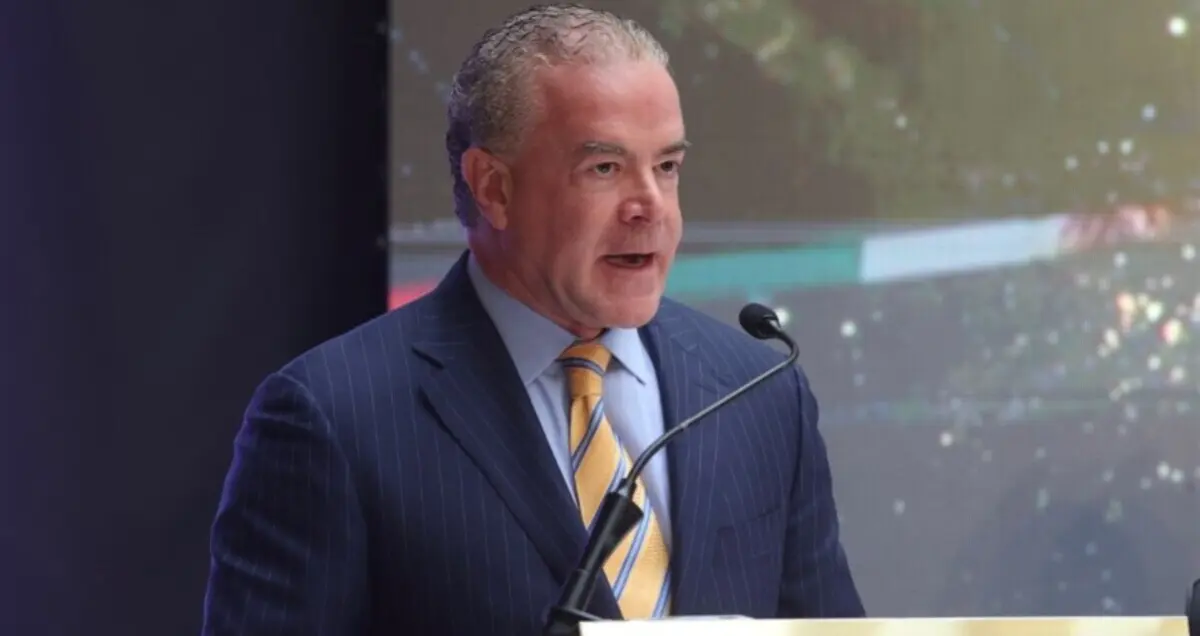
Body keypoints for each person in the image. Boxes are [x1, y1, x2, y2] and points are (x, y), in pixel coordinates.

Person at [201, 4, 864, 634]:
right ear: (494, 187)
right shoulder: (333, 418)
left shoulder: (756, 392)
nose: (651, 206)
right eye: (605, 168)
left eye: (667, 167)